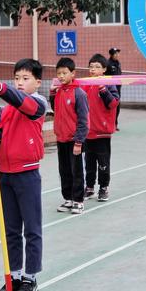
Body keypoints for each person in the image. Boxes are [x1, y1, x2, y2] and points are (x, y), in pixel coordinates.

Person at [0, 59, 48, 291]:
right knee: (11, 230)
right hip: (4, 173)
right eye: (17, 78)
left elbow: (24, 104)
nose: (19, 82)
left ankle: (31, 278)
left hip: (27, 173)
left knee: (32, 229)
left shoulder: (38, 103)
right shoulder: (5, 110)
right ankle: (15, 276)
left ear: (37, 82)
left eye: (26, 78)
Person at [50, 57, 89, 215]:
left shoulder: (79, 93)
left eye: (64, 73)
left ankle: (78, 200)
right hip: (61, 139)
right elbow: (55, 109)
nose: (61, 76)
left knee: (76, 171)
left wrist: (79, 141)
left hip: (75, 141)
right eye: (58, 73)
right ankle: (68, 198)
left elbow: (83, 120)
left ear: (73, 73)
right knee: (64, 170)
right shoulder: (59, 92)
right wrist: (52, 93)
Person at [84, 54, 119, 202]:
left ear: (104, 69)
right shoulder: (84, 84)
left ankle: (103, 188)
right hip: (87, 132)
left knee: (103, 163)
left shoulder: (109, 84)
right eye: (91, 67)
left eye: (97, 67)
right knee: (89, 162)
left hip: (102, 133)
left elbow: (113, 104)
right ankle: (90, 187)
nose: (93, 70)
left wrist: (103, 89)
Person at [105, 48, 122, 129]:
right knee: (111, 106)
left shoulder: (118, 63)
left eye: (118, 53)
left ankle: (115, 124)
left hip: (118, 88)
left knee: (118, 106)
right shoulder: (108, 64)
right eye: (115, 53)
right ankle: (110, 124)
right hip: (110, 88)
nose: (117, 55)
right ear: (111, 55)